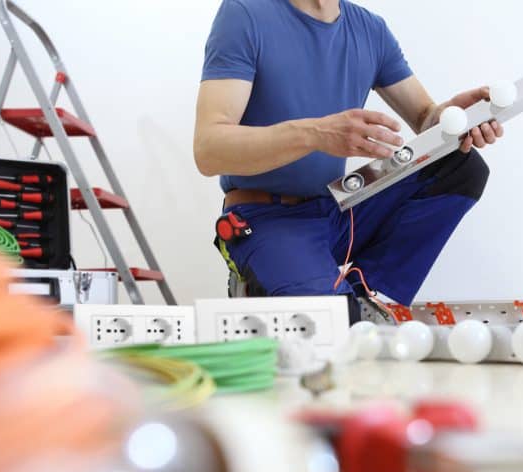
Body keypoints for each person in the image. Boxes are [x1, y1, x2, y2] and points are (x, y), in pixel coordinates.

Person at [194, 0, 503, 317]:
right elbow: (208, 150)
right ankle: (269, 282)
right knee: (339, 323)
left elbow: (425, 117)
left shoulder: (370, 29)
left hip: (337, 210)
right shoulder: (245, 14)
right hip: (266, 217)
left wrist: (452, 118)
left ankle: (359, 292)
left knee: (459, 167)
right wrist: (315, 133)